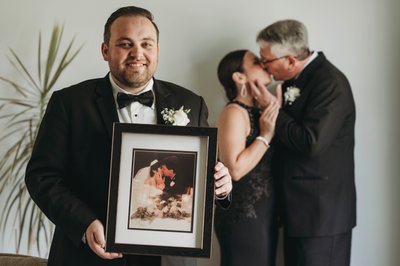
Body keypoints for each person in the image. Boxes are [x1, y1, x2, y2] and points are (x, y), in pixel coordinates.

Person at [24, 6, 232, 266]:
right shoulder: (69, 103)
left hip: (168, 257)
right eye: (125, 44)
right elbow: (41, 176)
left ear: (157, 49)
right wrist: (85, 223)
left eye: (147, 44)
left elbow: (199, 175)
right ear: (105, 50)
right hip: (89, 255)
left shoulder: (191, 102)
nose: (138, 53)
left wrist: (220, 185)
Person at [250, 19, 356, 266]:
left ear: (290, 60)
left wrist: (272, 109)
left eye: (266, 61)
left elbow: (311, 142)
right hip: (297, 210)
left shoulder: (330, 83)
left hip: (321, 214)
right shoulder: (292, 80)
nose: (264, 67)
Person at [214, 49, 280, 266]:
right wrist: (266, 135)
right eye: (255, 62)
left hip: (264, 214)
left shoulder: (257, 112)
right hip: (243, 217)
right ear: (239, 77)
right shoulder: (233, 112)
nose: (263, 63)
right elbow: (234, 169)